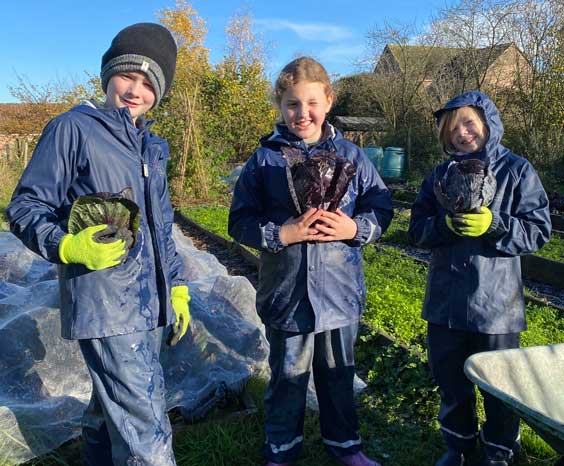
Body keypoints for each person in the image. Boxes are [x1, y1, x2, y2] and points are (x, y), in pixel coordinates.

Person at [7, 22, 190, 466]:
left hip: (150, 300)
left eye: (149, 84)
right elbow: (26, 207)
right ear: (108, 74)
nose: (135, 90)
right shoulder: (74, 129)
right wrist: (69, 247)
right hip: (106, 300)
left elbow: (161, 225)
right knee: (147, 424)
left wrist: (177, 287)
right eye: (128, 76)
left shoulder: (153, 146)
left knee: (114, 406)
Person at [228, 56, 393, 466]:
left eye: (311, 103)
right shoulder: (264, 159)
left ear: (329, 101)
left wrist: (354, 230)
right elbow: (239, 220)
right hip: (287, 294)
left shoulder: (353, 155)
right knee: (287, 377)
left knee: (338, 375)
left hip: (338, 294)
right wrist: (281, 234)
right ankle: (282, 450)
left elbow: (381, 205)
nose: (303, 113)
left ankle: (345, 447)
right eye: (292, 105)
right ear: (280, 106)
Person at [408, 90, 551, 466]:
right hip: (445, 303)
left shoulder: (517, 170)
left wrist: (496, 224)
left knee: (501, 386)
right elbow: (417, 230)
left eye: (469, 122)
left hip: (496, 306)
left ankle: (501, 449)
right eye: (452, 128)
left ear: (488, 122)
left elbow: (538, 231)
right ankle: (458, 446)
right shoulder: (440, 176)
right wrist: (443, 225)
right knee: (451, 382)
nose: (462, 133)